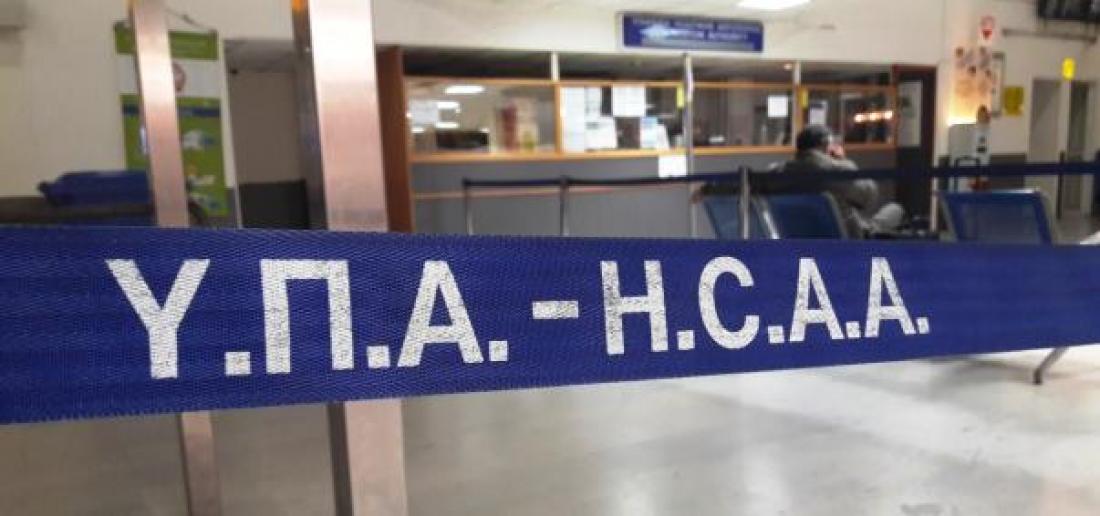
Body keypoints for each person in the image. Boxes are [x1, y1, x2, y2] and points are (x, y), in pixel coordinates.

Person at [783, 125, 905, 237]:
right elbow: (868, 198)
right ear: (826, 144)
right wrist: (842, 160)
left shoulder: (779, 173)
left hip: (797, 238)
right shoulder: (837, 171)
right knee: (895, 209)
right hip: (848, 236)